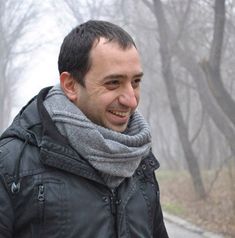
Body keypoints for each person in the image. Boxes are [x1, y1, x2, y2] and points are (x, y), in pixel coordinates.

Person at [0, 20, 168, 238]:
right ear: (70, 85)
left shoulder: (138, 157)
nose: (131, 100)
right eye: (113, 83)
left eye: (135, 82)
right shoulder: (11, 164)